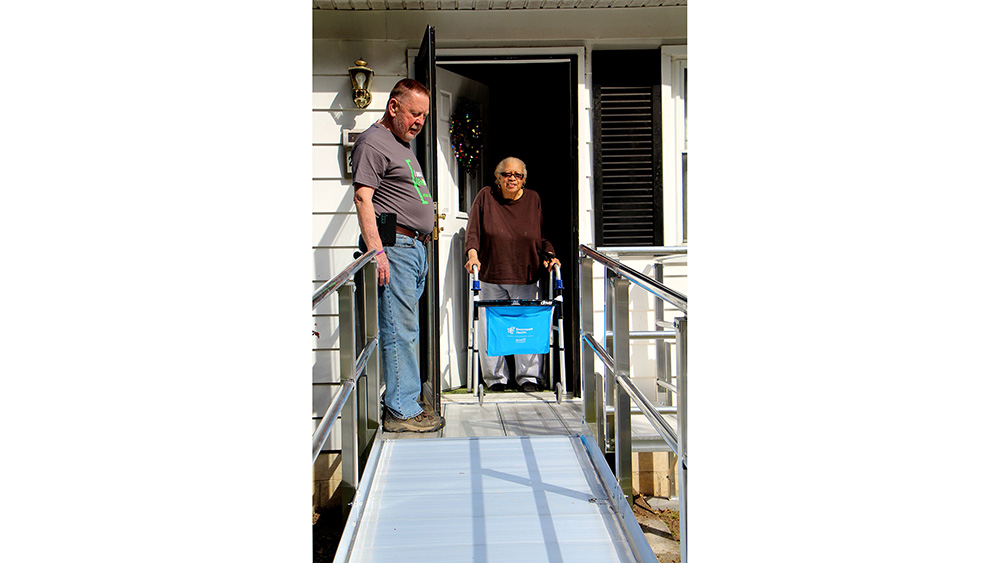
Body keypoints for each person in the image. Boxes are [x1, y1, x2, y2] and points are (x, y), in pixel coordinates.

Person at [352, 78, 444, 433]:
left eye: (424, 115)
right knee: (399, 330)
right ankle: (401, 410)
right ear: (393, 107)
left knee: (407, 328)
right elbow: (363, 199)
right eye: (414, 113)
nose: (419, 121)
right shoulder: (374, 143)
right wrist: (378, 253)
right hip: (395, 248)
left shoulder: (400, 144)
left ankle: (407, 398)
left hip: (414, 248)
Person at [464, 157, 561, 392]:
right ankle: (495, 379)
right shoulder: (485, 196)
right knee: (490, 327)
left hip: (525, 272)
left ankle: (528, 377)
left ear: (524, 179)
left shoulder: (533, 199)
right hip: (491, 272)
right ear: (498, 177)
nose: (512, 179)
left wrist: (550, 255)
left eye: (517, 175)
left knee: (526, 326)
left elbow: (540, 236)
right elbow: (473, 232)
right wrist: (472, 256)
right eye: (507, 174)